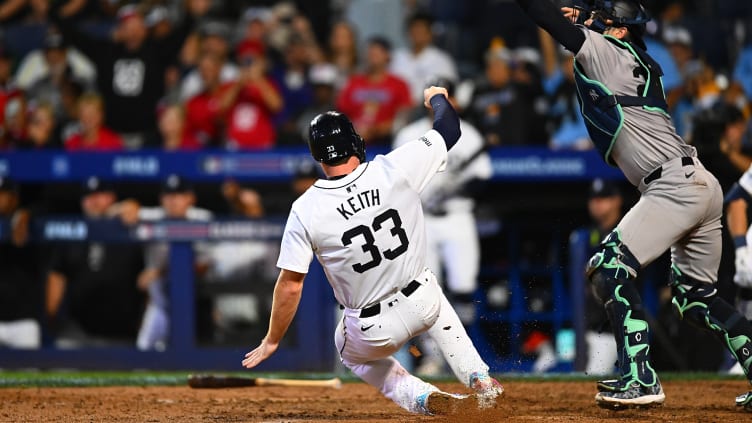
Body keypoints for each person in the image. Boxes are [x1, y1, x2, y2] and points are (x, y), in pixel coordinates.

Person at [512, 0, 752, 410]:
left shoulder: (609, 50)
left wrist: (564, 15)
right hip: (698, 182)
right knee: (696, 296)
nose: (592, 23)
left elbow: (546, 17)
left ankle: (641, 378)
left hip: (672, 185)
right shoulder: (632, 56)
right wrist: (587, 16)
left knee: (608, 268)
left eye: (602, 20)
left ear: (620, 30)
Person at [241, 87, 503, 416]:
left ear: (318, 158)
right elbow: (450, 129)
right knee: (431, 289)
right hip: (423, 300)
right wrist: (437, 97)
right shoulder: (393, 168)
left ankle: (422, 397)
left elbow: (291, 285)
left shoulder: (305, 208)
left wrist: (272, 340)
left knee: (347, 352)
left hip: (373, 330)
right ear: (355, 142)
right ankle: (480, 379)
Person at [392, 77, 492, 376]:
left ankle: (463, 356)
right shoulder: (408, 134)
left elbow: (483, 179)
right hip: (421, 219)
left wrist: (453, 190)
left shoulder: (470, 134)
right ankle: (432, 356)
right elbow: (395, 179)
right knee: (423, 290)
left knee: (463, 288)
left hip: (457, 215)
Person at [115, 174, 212, 351]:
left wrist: (160, 272)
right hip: (160, 301)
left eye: (179, 194)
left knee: (194, 358)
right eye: (168, 195)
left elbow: (204, 265)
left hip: (195, 297)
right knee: (144, 353)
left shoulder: (202, 218)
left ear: (191, 198)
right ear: (161, 198)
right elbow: (119, 210)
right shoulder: (153, 216)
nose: (173, 200)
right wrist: (130, 205)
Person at [46, 177, 144, 347]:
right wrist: (51, 317)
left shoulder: (130, 229)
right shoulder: (71, 233)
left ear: (112, 198)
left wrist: (132, 207)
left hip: (122, 333)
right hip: (76, 331)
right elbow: (57, 276)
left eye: (100, 195)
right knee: (61, 369)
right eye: (89, 196)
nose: (94, 201)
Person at [336, 36, 412, 146]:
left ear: (387, 55)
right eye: (370, 53)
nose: (372, 57)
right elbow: (342, 112)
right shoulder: (353, 82)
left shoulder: (399, 84)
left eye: (377, 53)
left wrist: (375, 130)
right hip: (353, 141)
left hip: (387, 142)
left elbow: (404, 117)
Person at [0, 177, 41, 349]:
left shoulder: (28, 221)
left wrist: (27, 215)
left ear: (14, 198)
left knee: (28, 375)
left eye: (3, 194)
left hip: (23, 322)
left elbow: (49, 206)